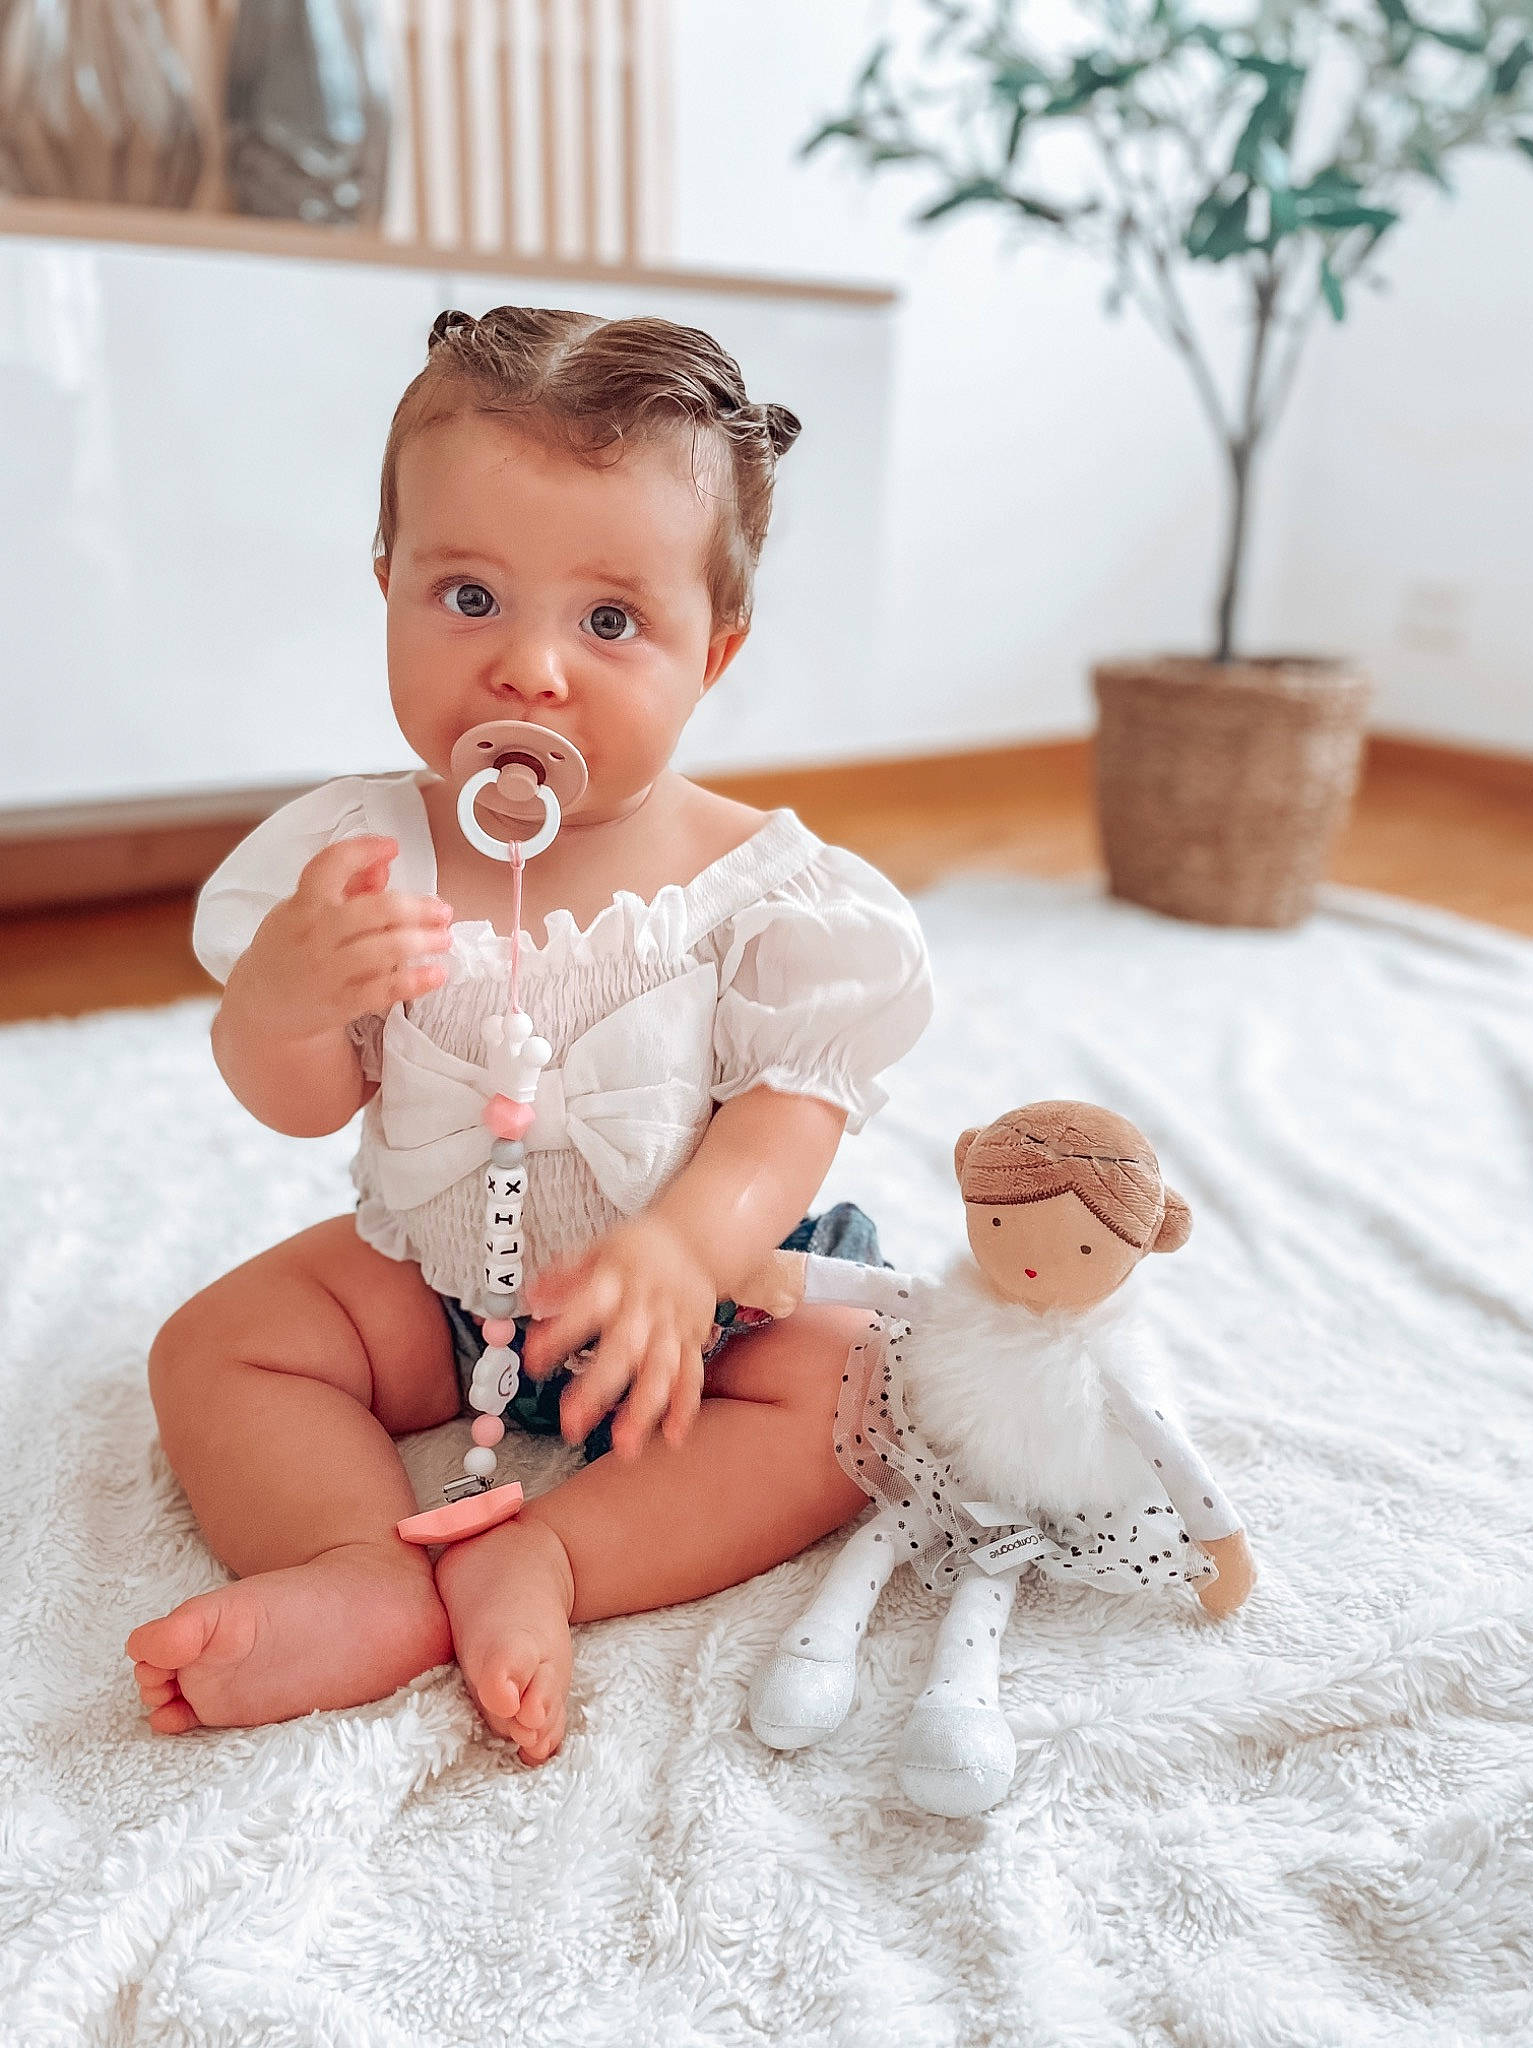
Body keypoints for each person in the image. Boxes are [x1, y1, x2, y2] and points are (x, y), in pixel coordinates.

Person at [124, 306, 933, 1763]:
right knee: (219, 1347)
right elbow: (298, 1104)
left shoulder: (761, 889)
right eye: (469, 598)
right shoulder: (358, 855)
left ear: (716, 654)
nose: (532, 672)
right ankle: (365, 1564)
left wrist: (686, 1252)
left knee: (864, 1393)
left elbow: (790, 1114)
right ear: (386, 586)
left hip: (695, 1317)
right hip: (440, 1288)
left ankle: (558, 1557)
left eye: (610, 622)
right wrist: (288, 998)